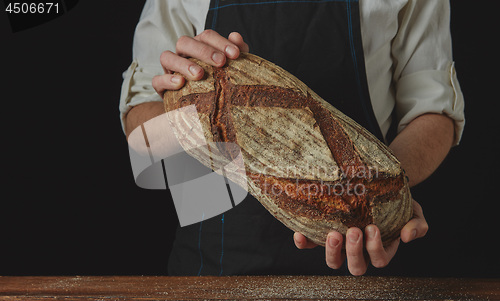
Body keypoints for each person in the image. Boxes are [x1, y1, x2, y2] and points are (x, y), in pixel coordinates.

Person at [120, 0, 465, 276]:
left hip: (360, 256)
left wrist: (387, 190)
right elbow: (141, 133)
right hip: (214, 263)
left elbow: (434, 112)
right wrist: (190, 98)